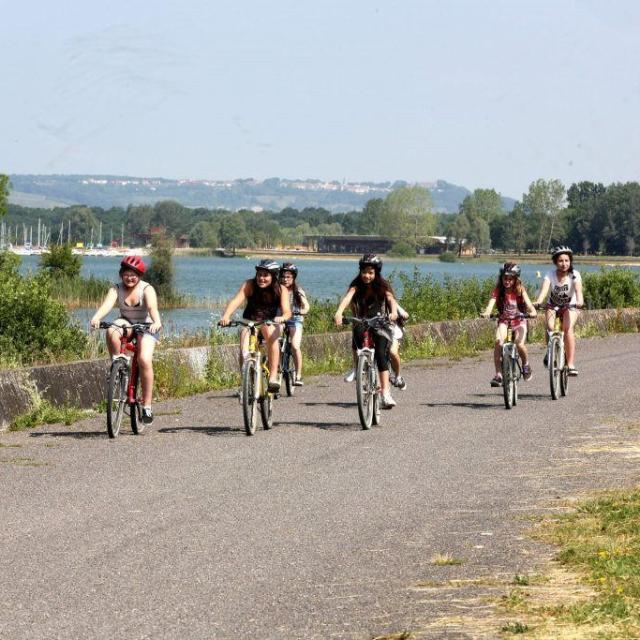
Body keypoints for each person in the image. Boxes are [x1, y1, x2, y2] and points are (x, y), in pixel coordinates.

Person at [90, 255, 162, 424]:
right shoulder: (116, 289)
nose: (130, 278)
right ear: (121, 274)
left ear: (140, 276)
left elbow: (152, 308)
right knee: (112, 330)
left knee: (144, 359)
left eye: (134, 275)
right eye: (127, 274)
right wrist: (96, 318)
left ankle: (147, 406)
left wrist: (157, 322)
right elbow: (107, 305)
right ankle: (117, 363)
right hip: (127, 322)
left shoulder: (147, 289)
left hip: (147, 325)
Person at [334, 254, 399, 409]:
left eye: (370, 272)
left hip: (380, 322)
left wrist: (394, 312)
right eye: (364, 272)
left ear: (376, 272)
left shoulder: (383, 285)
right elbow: (347, 298)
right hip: (363, 320)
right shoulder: (356, 284)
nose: (367, 276)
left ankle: (385, 393)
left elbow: (391, 300)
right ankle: (357, 368)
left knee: (381, 355)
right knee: (356, 338)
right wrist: (339, 312)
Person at [219, 259, 291, 392]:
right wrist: (226, 316)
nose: (261, 278)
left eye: (265, 275)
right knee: (244, 350)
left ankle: (273, 377)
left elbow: (287, 312)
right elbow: (236, 300)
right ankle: (245, 383)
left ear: (274, 276)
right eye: (259, 274)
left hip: (269, 322)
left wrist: (282, 318)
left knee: (272, 337)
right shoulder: (249, 284)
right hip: (249, 321)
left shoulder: (281, 290)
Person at [481, 262, 537, 387]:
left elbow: (529, 304)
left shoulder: (520, 290)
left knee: (519, 343)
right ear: (501, 278)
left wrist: (533, 311)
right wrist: (487, 312)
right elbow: (491, 302)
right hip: (504, 321)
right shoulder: (498, 290)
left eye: (510, 279)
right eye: (505, 278)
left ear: (515, 279)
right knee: (498, 342)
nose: (507, 281)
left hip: (519, 321)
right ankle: (498, 375)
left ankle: (526, 365)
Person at [533, 245, 584, 376]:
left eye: (567, 260)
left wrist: (580, 301)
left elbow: (578, 291)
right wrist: (539, 301)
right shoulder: (550, 274)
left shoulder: (574, 274)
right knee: (550, 328)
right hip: (552, 305)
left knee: (567, 329)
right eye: (560, 261)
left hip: (570, 306)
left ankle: (571, 364)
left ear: (570, 261)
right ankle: (550, 350)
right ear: (555, 262)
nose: (564, 264)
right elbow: (544, 290)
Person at [279, 262, 310, 386]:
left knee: (295, 346)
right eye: (283, 276)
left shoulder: (298, 290)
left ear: (293, 278)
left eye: (288, 277)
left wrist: (302, 311)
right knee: (274, 341)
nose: (285, 279)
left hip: (295, 320)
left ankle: (298, 375)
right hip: (281, 319)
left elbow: (306, 305)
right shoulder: (277, 289)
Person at [389, 304, 409, 391]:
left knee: (393, 352)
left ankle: (398, 376)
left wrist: (403, 314)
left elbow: (404, 313)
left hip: (393, 332)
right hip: (376, 332)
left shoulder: (388, 298)